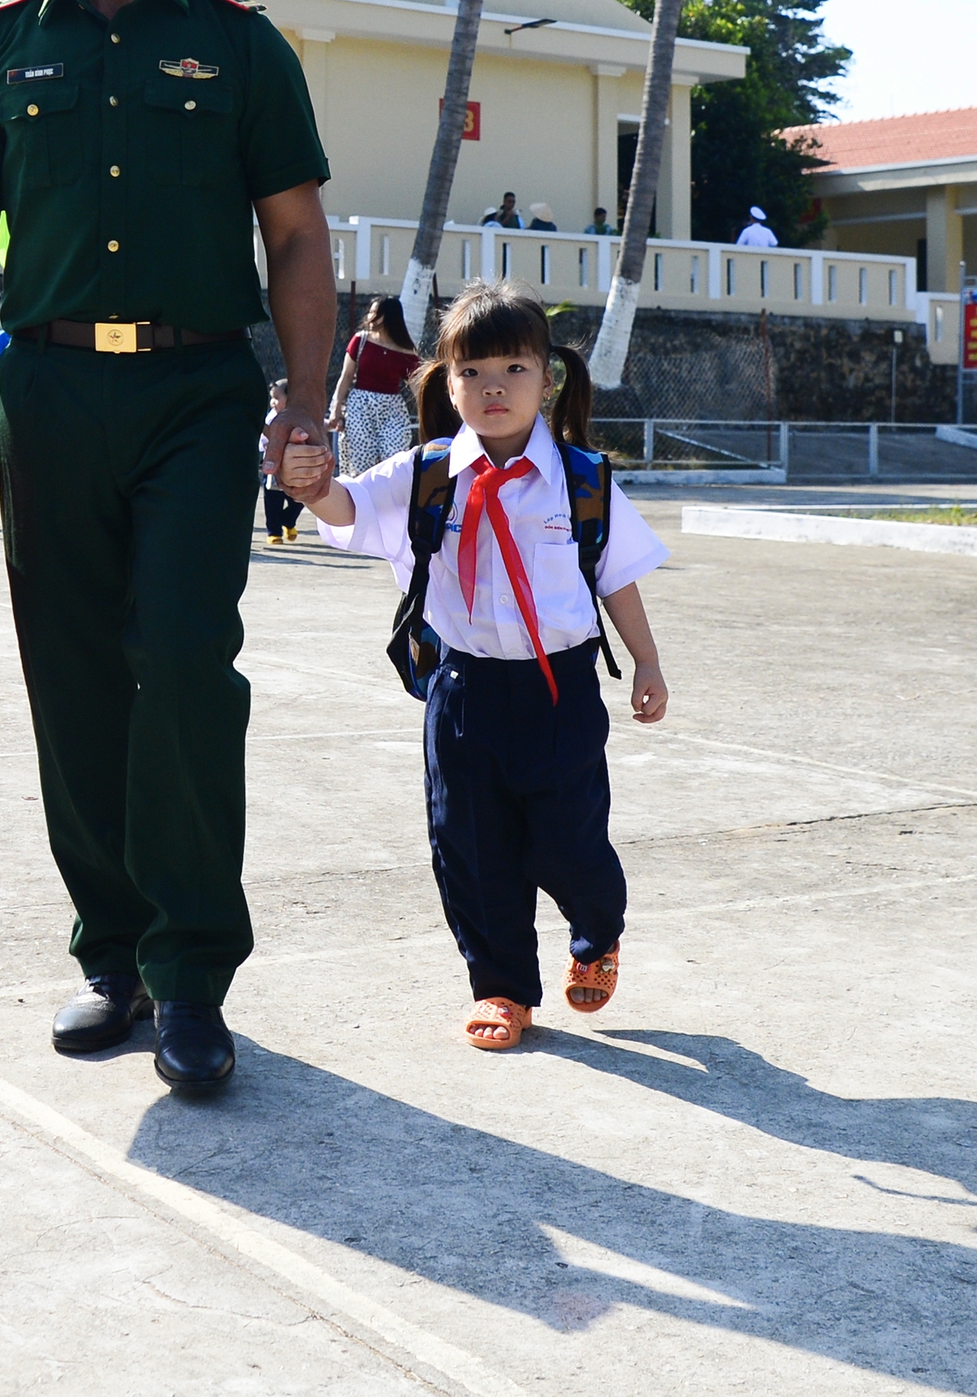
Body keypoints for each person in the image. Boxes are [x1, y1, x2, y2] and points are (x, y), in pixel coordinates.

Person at [0, 0, 336, 1095]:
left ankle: (193, 970)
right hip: (47, 390)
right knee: (75, 673)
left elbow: (300, 238)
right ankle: (114, 953)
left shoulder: (239, 46)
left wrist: (308, 403)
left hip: (197, 390)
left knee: (187, 659)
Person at [277, 283, 670, 1053]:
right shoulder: (425, 474)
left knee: (570, 843)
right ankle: (501, 986)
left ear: (546, 380)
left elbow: (616, 575)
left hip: (561, 688)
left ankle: (596, 932)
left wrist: (648, 659)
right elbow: (351, 510)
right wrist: (312, 484)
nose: (494, 387)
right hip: (462, 692)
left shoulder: (584, 480)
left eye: (515, 368)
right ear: (446, 382)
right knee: (472, 845)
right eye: (473, 371)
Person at [328, 295, 419, 477]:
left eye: (376, 313)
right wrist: (336, 408)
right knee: (362, 462)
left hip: (392, 409)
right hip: (360, 405)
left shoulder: (405, 351)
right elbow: (345, 377)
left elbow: (418, 388)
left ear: (390, 317)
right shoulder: (360, 341)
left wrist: (430, 415)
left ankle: (390, 499)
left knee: (395, 458)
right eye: (370, 312)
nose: (370, 317)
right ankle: (362, 500)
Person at [258, 378, 304, 545]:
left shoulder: (300, 416)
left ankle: (288, 520)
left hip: (294, 467)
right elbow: (263, 440)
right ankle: (274, 531)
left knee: (299, 499)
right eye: (272, 398)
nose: (272, 402)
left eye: (276, 398)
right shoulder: (271, 419)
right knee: (272, 500)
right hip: (273, 466)